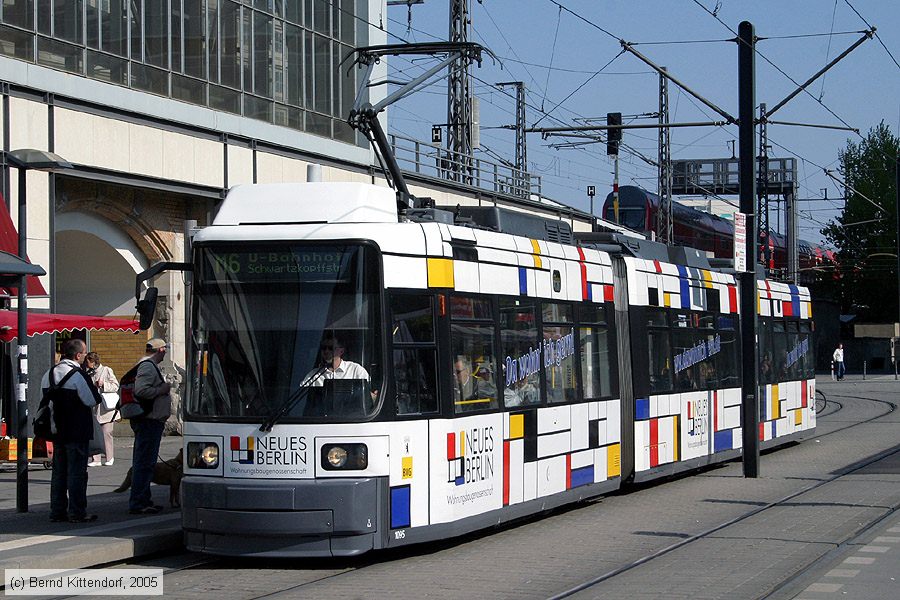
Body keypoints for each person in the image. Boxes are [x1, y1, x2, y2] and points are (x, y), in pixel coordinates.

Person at [41, 339, 102, 523]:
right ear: (77, 355)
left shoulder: (49, 373)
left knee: (59, 473)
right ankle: (77, 512)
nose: (85, 357)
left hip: (56, 430)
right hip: (77, 430)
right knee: (77, 473)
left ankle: (57, 511)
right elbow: (92, 399)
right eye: (84, 354)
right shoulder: (77, 375)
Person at [128, 338, 172, 515]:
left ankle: (143, 499)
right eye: (165, 349)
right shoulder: (147, 366)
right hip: (148, 420)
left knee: (145, 462)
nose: (166, 353)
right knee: (144, 462)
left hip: (149, 420)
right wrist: (161, 390)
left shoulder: (147, 365)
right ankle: (139, 502)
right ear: (160, 350)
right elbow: (141, 390)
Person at [84, 352, 119, 467]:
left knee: (107, 433)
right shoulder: (88, 373)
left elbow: (115, 385)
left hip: (106, 408)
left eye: (88, 362)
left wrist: (103, 384)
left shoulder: (106, 370)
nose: (87, 365)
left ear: (94, 362)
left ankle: (109, 457)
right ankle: (96, 458)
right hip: (95, 407)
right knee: (95, 433)